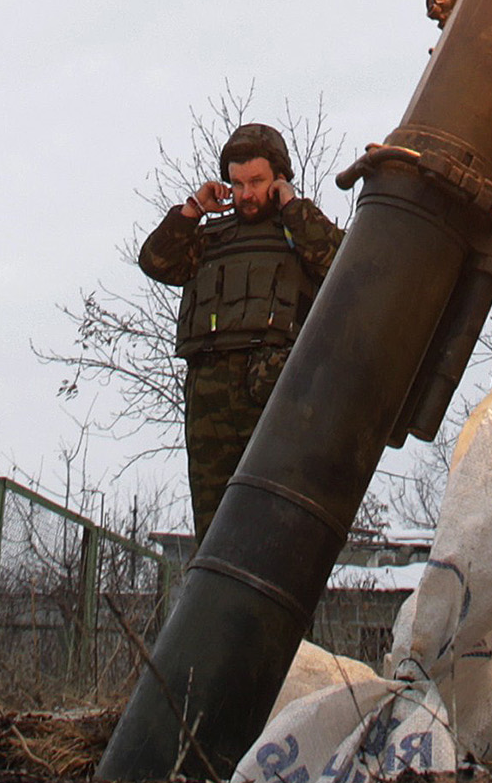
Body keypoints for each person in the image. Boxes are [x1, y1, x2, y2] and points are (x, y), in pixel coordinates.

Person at [138, 123, 343, 543]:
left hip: (272, 388)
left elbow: (340, 262)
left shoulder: (300, 235)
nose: (246, 194)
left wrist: (293, 207)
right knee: (215, 530)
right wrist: (194, 207)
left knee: (275, 525)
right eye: (237, 183)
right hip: (209, 395)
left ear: (280, 178)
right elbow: (156, 261)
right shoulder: (210, 240)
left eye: (257, 181)